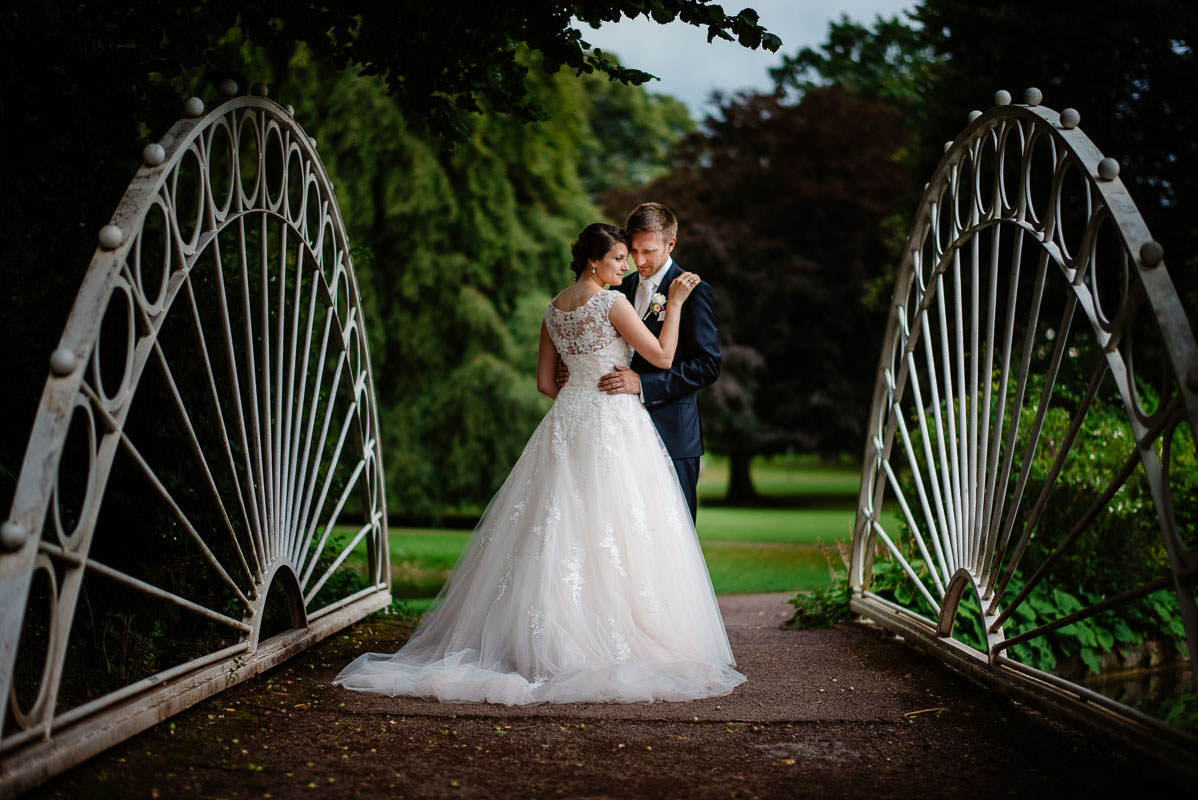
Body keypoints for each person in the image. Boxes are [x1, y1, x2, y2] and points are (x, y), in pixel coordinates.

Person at [332, 223, 745, 705]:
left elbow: (546, 385)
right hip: (612, 422)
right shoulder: (613, 302)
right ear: (595, 262)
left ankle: (537, 637)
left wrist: (580, 377)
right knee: (614, 525)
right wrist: (672, 305)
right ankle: (611, 633)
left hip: (567, 421)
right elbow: (664, 353)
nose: (626, 266)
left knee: (556, 524)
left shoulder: (554, 308)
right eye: (618, 258)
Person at [597, 203, 719, 521]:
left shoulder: (694, 292)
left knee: (675, 538)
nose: (639, 261)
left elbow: (707, 365)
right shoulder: (619, 289)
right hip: (620, 432)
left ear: (670, 244)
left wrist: (644, 385)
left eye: (648, 251)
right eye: (633, 251)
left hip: (673, 435)